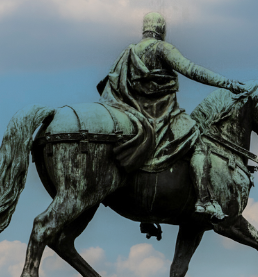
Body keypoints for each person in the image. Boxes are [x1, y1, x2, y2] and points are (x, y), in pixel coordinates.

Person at [98, 12, 247, 220]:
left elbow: (113, 83)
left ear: (144, 28)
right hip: (159, 113)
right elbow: (191, 69)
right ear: (162, 29)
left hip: (133, 110)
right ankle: (204, 199)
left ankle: (148, 210)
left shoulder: (129, 51)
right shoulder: (162, 48)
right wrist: (226, 83)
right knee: (198, 141)